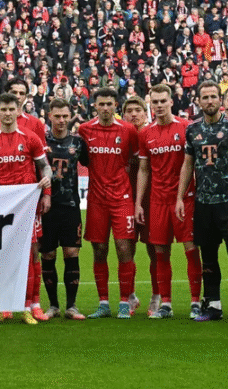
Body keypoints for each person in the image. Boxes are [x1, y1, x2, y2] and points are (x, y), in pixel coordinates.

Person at [177, 81, 228, 325]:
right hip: (203, 204)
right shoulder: (192, 129)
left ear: (219, 99)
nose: (209, 101)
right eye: (205, 97)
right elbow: (188, 164)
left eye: (213, 96)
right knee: (208, 257)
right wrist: (180, 196)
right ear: (198, 101)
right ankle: (213, 306)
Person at [0, 93, 52, 325]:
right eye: (4, 109)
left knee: (31, 253)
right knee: (0, 254)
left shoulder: (30, 138)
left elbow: (45, 168)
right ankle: (3, 307)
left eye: (12, 109)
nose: (8, 114)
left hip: (26, 204)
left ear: (19, 111)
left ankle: (29, 306)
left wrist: (47, 182)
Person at [135, 84, 202, 319]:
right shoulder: (145, 134)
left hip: (185, 200)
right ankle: (166, 304)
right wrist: (138, 203)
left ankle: (195, 302)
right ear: (150, 104)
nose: (159, 105)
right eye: (155, 102)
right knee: (160, 252)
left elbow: (193, 163)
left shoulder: (186, 128)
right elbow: (143, 170)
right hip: (157, 201)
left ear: (171, 102)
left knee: (191, 250)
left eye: (163, 101)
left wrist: (183, 196)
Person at [78, 87, 140, 320]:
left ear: (116, 105)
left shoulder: (128, 130)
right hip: (96, 199)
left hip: (122, 198)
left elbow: (135, 161)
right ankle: (103, 302)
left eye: (109, 104)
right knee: (99, 249)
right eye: (101, 104)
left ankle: (125, 301)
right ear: (94, 105)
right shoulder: (84, 130)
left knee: (124, 248)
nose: (105, 108)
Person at [41, 98, 87, 320]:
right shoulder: (41, 141)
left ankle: (71, 306)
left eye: (65, 116)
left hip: (70, 206)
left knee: (71, 253)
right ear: (49, 116)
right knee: (48, 254)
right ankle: (52, 305)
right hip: (46, 207)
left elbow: (92, 164)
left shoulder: (78, 143)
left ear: (70, 117)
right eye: (57, 116)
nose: (61, 120)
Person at [121, 96, 159, 316]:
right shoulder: (122, 136)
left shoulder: (151, 134)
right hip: (124, 199)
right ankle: (131, 296)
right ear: (123, 114)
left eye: (138, 110)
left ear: (146, 113)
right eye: (129, 111)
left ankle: (156, 296)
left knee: (154, 248)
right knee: (126, 247)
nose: (133, 114)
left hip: (150, 199)